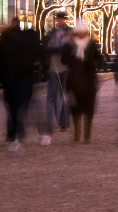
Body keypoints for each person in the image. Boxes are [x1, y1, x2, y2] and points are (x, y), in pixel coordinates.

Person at [0, 17, 41, 151]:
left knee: (14, 108)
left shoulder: (9, 40)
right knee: (17, 107)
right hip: (17, 77)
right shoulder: (17, 41)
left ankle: (14, 133)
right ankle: (15, 133)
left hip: (14, 78)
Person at [64, 21, 104, 143]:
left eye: (83, 32)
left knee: (88, 107)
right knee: (75, 107)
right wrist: (72, 61)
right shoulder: (70, 44)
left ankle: (87, 133)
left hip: (88, 76)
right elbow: (64, 58)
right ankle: (77, 133)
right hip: (73, 75)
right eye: (79, 32)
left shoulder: (91, 44)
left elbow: (99, 58)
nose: (81, 34)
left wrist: (93, 64)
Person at [41, 12, 71, 146]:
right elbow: (45, 48)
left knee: (64, 95)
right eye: (58, 18)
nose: (59, 21)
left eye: (61, 19)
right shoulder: (51, 34)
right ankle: (55, 121)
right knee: (52, 96)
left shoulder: (69, 32)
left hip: (65, 67)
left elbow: (70, 48)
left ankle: (63, 121)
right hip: (54, 68)